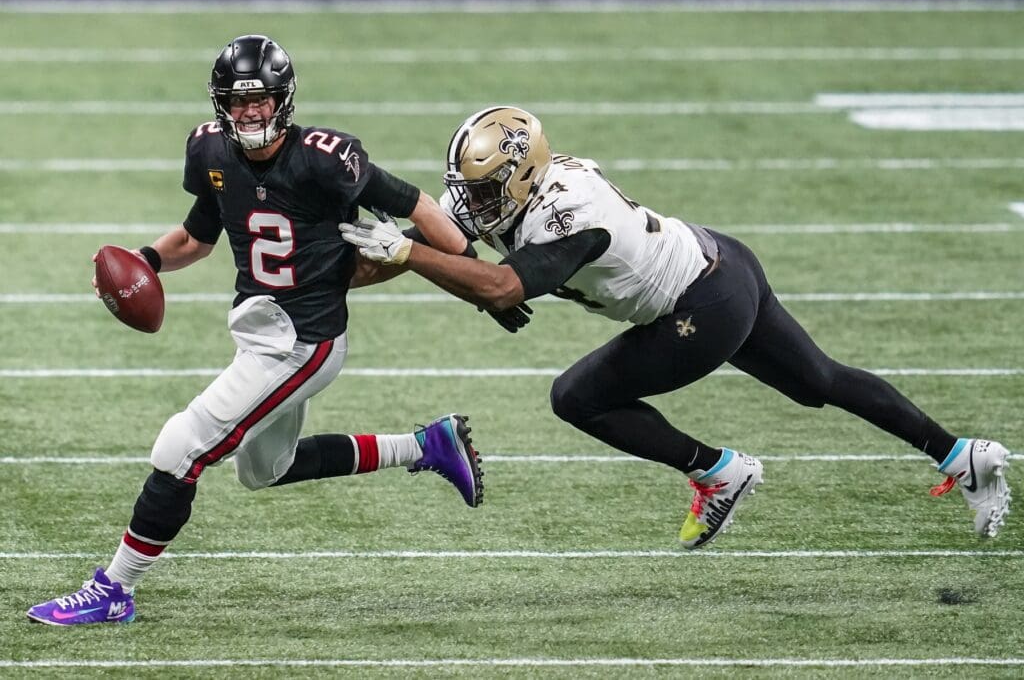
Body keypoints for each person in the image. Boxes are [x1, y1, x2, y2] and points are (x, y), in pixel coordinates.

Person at [341, 105, 1012, 550]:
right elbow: (453, 245)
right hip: (722, 263)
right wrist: (354, 267)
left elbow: (501, 285)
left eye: (485, 190)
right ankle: (963, 455)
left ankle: (718, 472)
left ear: (525, 178)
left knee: (575, 398)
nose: (472, 201)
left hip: (700, 308)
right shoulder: (536, 190)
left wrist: (405, 251)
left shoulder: (568, 215)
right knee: (819, 381)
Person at [27, 35, 483, 627]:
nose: (249, 112)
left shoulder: (326, 157)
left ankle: (113, 588)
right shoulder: (210, 149)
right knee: (264, 469)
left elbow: (417, 203)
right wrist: (144, 261)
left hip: (302, 342)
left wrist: (466, 259)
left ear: (282, 100)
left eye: (260, 100)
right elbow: (197, 236)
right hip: (261, 329)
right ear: (221, 104)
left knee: (179, 447)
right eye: (238, 102)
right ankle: (428, 445)